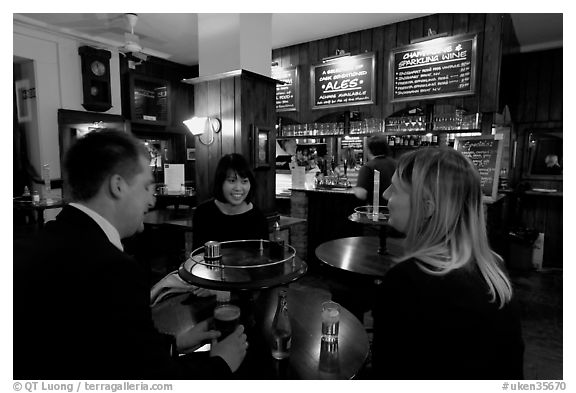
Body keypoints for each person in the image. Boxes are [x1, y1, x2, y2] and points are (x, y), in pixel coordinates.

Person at [13, 130, 247, 379]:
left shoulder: (37, 243)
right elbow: (149, 377)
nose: (152, 200)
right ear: (118, 186)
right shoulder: (114, 269)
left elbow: (103, 349)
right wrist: (222, 363)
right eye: (147, 186)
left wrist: (173, 344)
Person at [371, 147, 524, 379]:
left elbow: (388, 374)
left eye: (396, 189)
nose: (385, 194)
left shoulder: (408, 281)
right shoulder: (494, 268)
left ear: (427, 207)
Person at [192, 153, 269, 249]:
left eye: (244, 181)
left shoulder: (258, 217)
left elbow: (264, 259)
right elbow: (196, 256)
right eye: (232, 181)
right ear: (220, 182)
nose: (238, 188)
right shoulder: (203, 213)